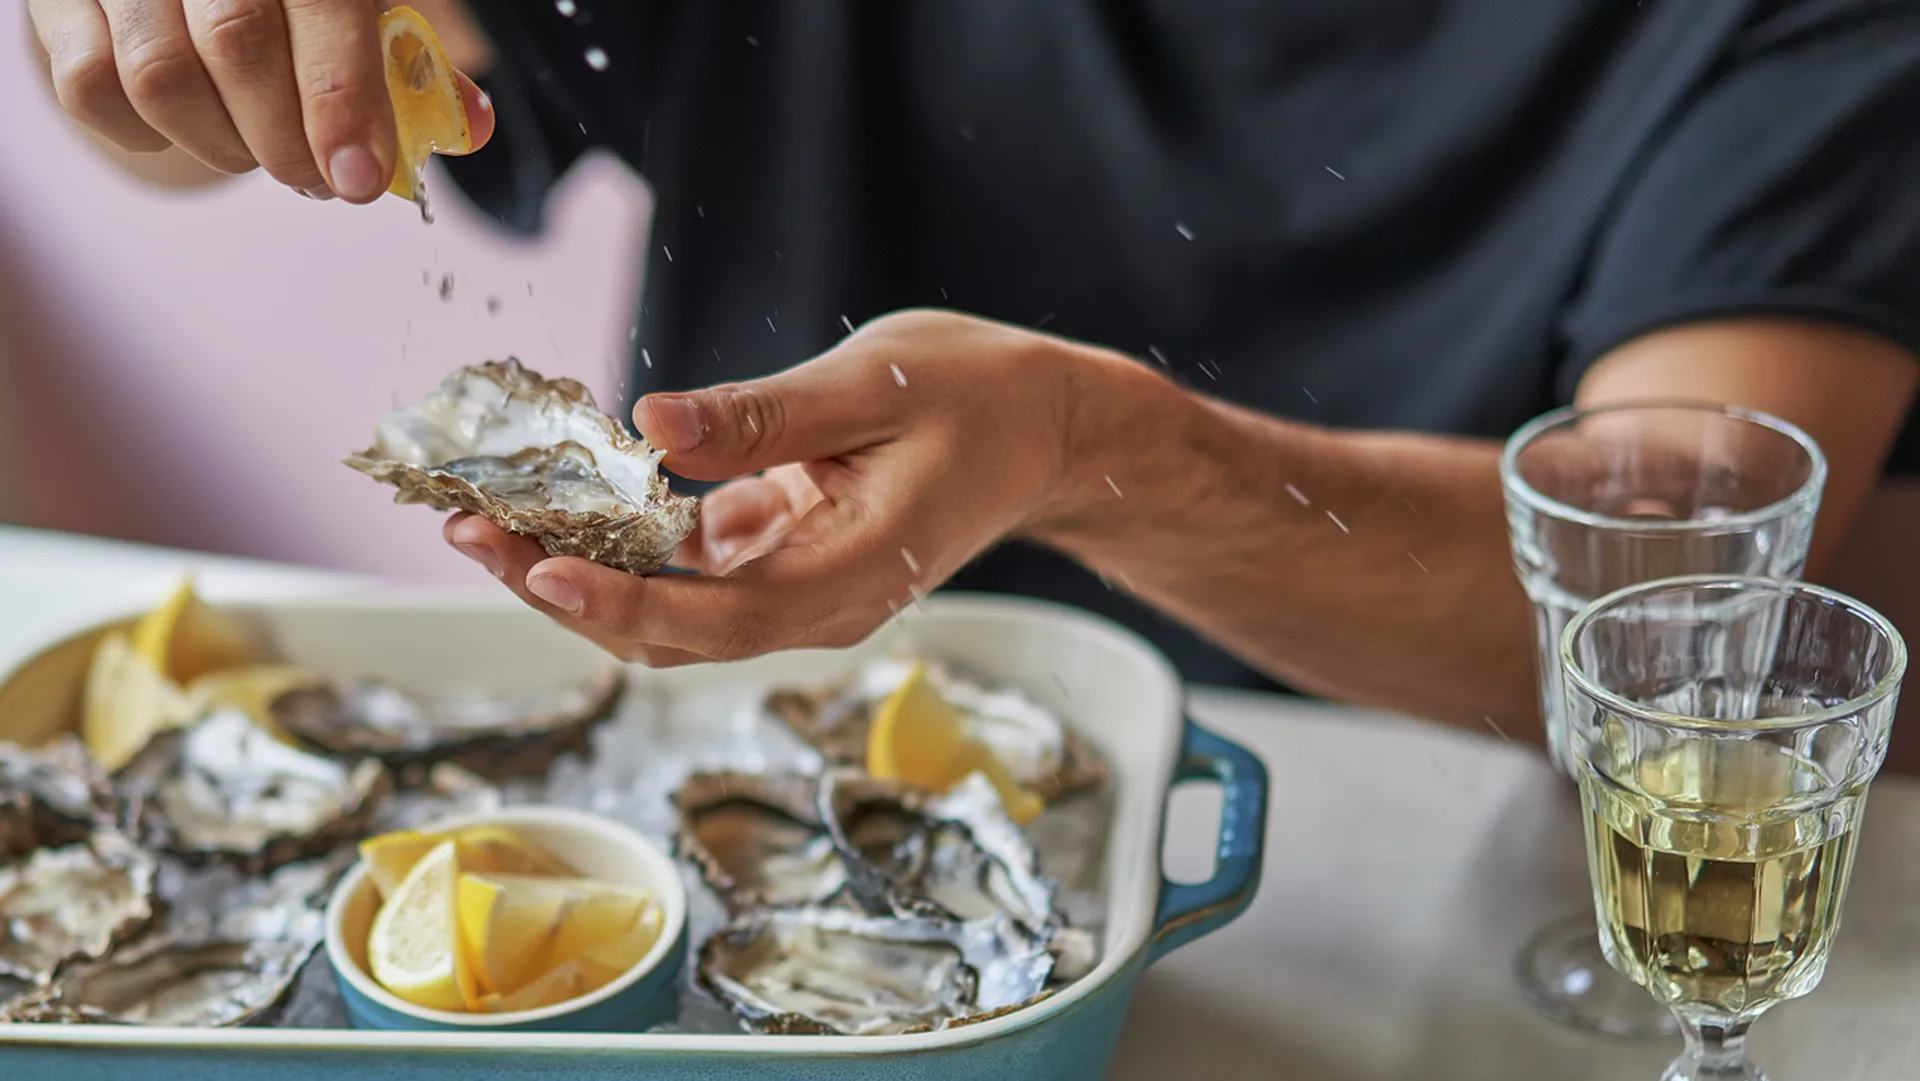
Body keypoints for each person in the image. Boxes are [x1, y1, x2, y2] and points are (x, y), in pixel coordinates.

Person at [28, 0, 1920, 745]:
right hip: (751, 765)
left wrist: (1098, 454)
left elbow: (1680, 621)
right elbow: (311, 70)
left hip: (1472, 914)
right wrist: (167, 42)